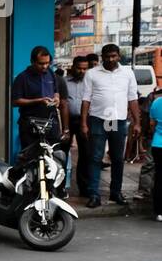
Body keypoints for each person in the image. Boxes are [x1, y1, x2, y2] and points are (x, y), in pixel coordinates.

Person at [80, 43, 140, 208]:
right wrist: (83, 123)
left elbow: (132, 99)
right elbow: (86, 99)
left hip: (117, 120)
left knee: (117, 158)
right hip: (98, 119)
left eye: (114, 56)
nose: (111, 59)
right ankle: (94, 194)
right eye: (107, 57)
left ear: (119, 56)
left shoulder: (127, 73)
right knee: (95, 158)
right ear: (102, 57)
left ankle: (116, 192)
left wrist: (137, 123)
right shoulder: (92, 74)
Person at [11, 45, 69, 149]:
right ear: (32, 61)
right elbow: (15, 102)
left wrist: (56, 98)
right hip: (30, 124)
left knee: (54, 156)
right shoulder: (22, 78)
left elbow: (56, 92)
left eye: (47, 63)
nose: (45, 66)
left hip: (51, 123)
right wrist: (38, 101)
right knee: (30, 157)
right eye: (41, 63)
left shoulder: (51, 74)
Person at [64, 56, 92, 195]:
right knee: (62, 153)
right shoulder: (64, 82)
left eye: (85, 69)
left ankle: (84, 187)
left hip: (84, 121)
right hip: (66, 121)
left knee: (86, 154)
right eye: (79, 68)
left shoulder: (90, 83)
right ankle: (60, 186)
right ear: (73, 66)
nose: (82, 71)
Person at [148, 88, 162, 222]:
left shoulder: (157, 102)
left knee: (159, 178)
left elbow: (152, 124)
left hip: (158, 144)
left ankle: (159, 211)